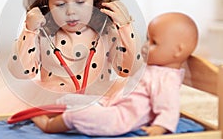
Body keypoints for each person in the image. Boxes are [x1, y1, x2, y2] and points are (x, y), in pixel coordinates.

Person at [31, 12, 199, 136]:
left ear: (178, 51)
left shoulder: (166, 79)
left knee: (80, 113)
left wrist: (160, 128)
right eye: (147, 39)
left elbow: (169, 107)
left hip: (121, 117)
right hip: (114, 103)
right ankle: (59, 111)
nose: (146, 46)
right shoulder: (155, 68)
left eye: (154, 42)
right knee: (70, 99)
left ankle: (50, 126)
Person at [7, 0, 142, 96]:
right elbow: (19, 72)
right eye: (60, 4)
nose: (71, 11)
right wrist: (29, 31)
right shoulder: (42, 34)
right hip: (55, 104)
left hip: (97, 103)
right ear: (46, 5)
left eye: (80, 2)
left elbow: (131, 69)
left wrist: (125, 27)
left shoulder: (108, 32)